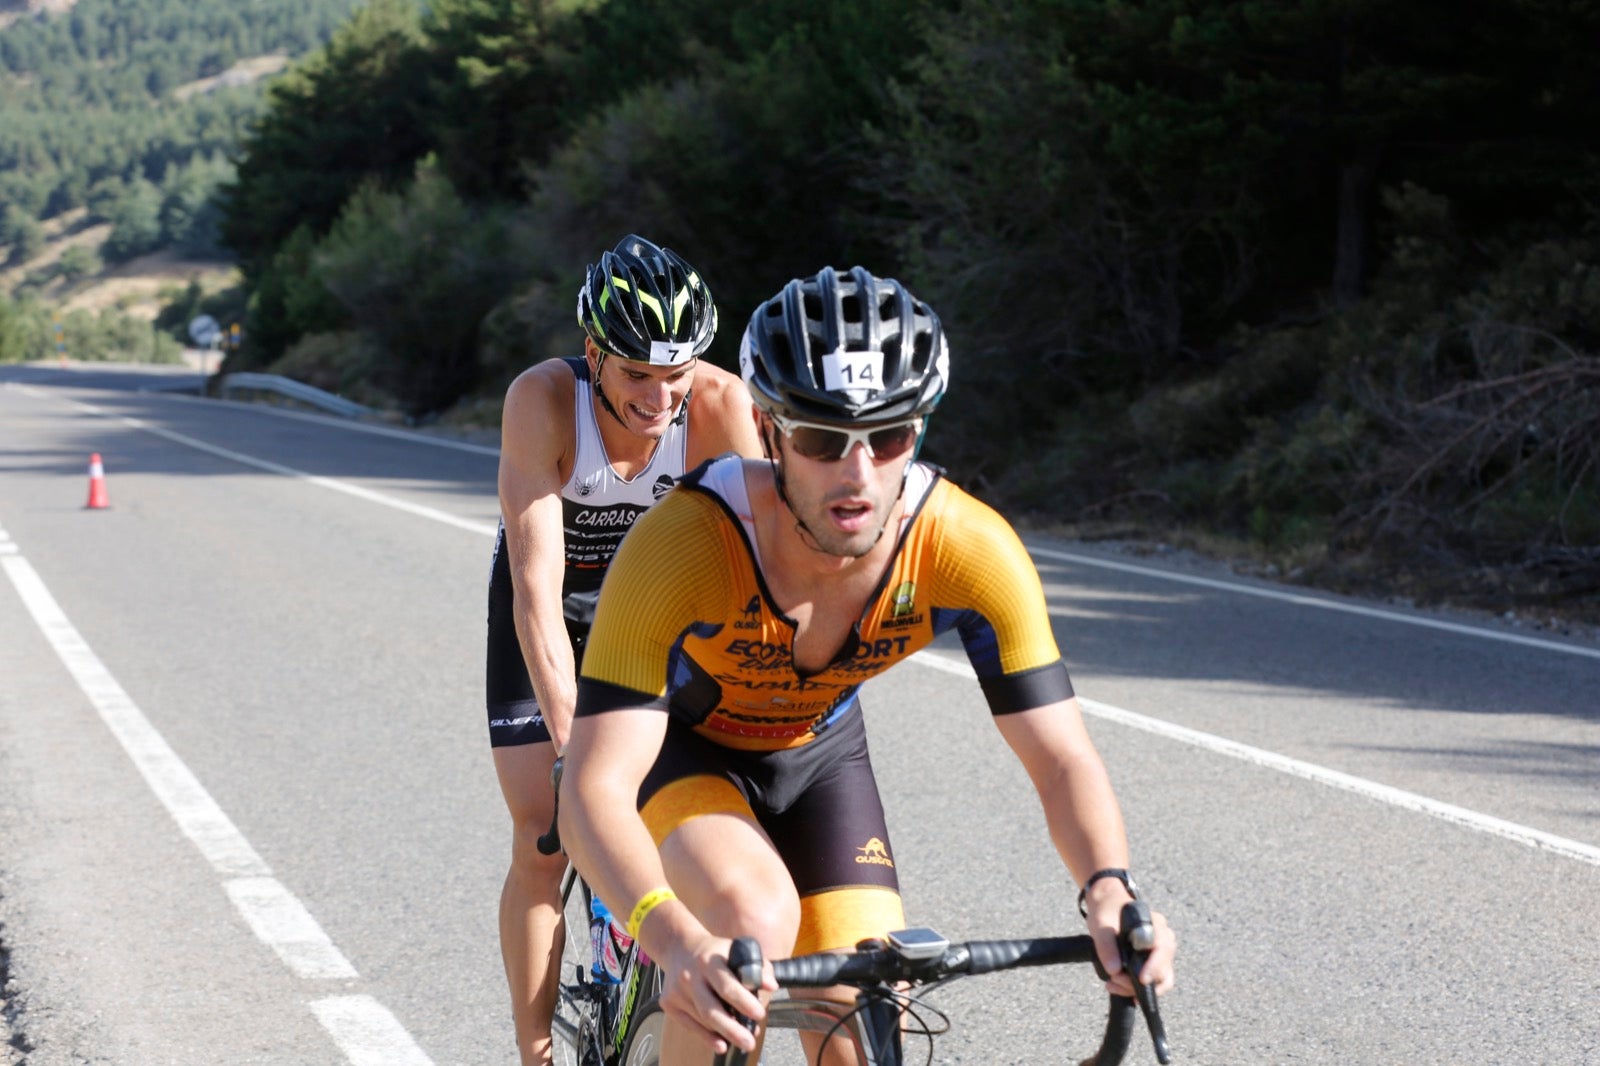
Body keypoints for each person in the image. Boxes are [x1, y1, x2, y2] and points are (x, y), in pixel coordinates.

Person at [558, 265, 1177, 1064]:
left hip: (817, 755)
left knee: (864, 1003)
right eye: (822, 440)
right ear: (767, 427)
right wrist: (676, 940)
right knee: (751, 924)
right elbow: (592, 789)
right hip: (682, 746)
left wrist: (1109, 891)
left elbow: (1061, 757)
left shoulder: (967, 548)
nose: (857, 476)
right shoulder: (685, 545)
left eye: (887, 437)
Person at [486, 234, 763, 1065]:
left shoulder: (719, 406)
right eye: (637, 372)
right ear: (593, 354)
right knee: (546, 830)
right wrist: (574, 743)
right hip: (557, 611)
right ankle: (535, 1052)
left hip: (658, 615)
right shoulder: (541, 401)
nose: (660, 394)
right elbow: (534, 589)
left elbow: (752, 575)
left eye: (675, 373)